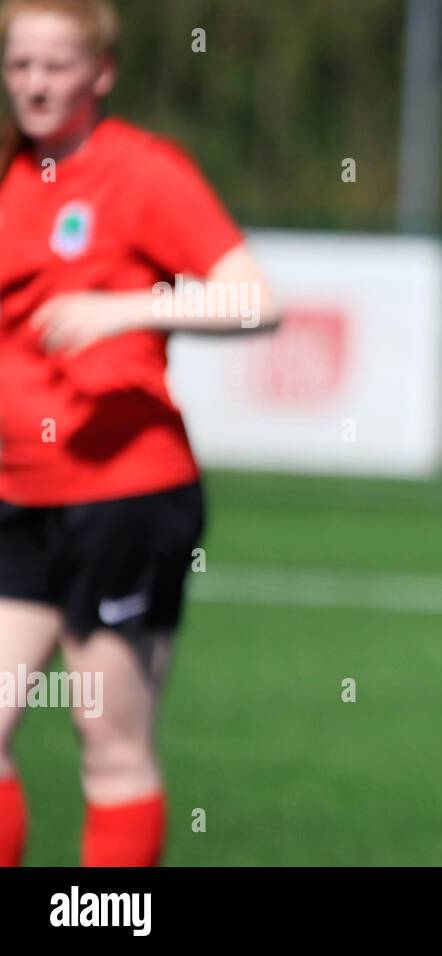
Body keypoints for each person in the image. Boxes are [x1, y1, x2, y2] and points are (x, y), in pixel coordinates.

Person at [0, 0, 279, 866]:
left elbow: (256, 301)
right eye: (19, 65)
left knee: (106, 738)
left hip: (125, 497)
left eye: (55, 65)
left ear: (102, 74)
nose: (35, 84)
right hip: (18, 496)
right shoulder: (10, 175)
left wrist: (121, 308)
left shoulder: (143, 172)